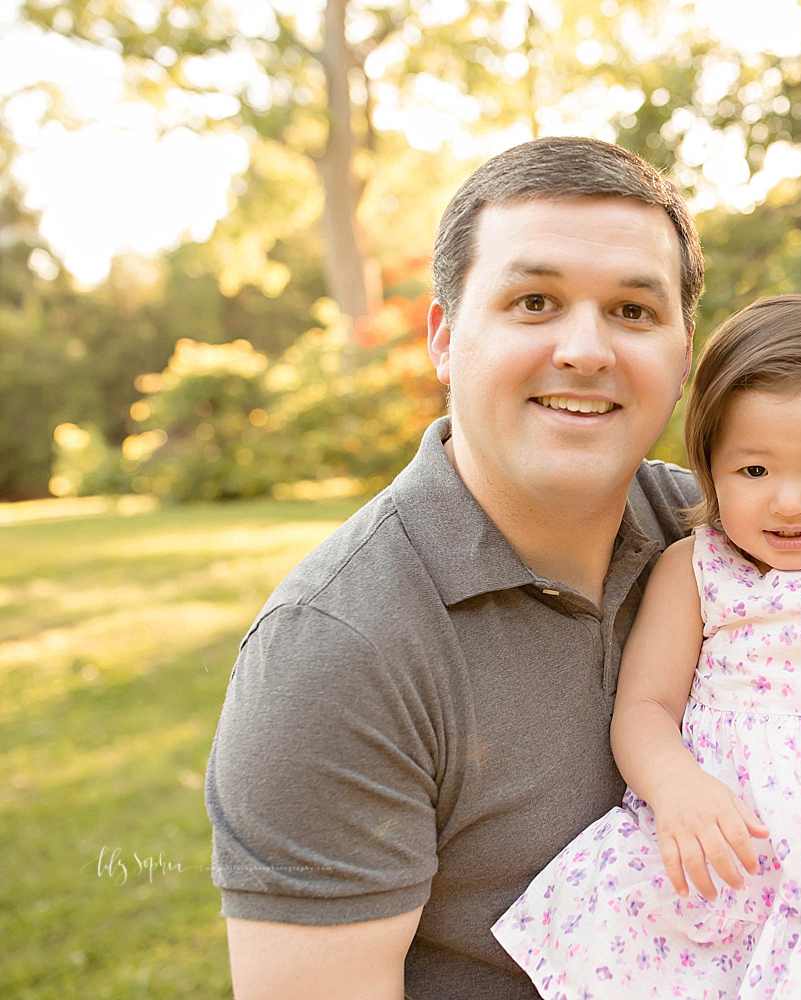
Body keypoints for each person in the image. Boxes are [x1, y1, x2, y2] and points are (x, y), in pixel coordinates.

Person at [204, 136, 706, 1000]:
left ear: (683, 350)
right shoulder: (337, 651)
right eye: (534, 301)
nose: (586, 350)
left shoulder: (735, 541)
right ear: (444, 337)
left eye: (633, 311)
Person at [493, 294, 801, 998]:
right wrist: (677, 788)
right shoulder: (697, 571)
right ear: (711, 464)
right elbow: (645, 709)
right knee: (654, 937)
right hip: (722, 829)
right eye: (754, 471)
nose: (789, 503)